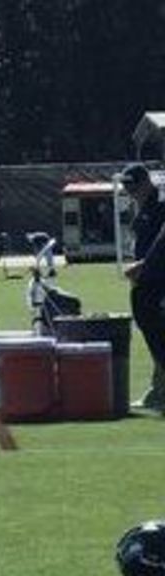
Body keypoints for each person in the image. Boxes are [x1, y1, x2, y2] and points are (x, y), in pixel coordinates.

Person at [120, 163, 165, 413]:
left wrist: (144, 265)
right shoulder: (142, 206)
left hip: (158, 279)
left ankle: (158, 394)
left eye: (134, 186)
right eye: (127, 186)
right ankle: (157, 392)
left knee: (159, 333)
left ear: (146, 181)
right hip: (147, 279)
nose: (130, 191)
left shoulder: (160, 204)